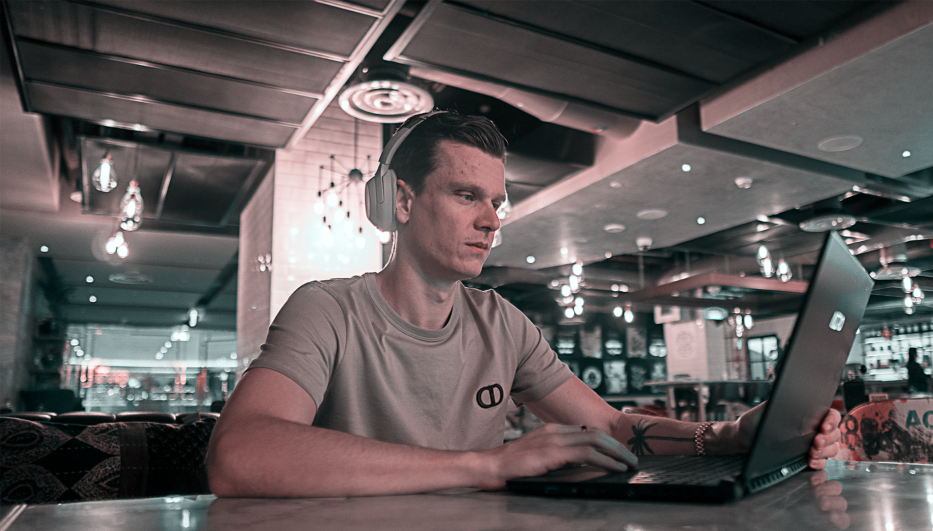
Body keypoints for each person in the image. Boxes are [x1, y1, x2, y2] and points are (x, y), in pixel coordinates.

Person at [206, 111, 842, 498]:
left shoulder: (501, 323)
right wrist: (488, 465)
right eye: (466, 196)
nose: (491, 221)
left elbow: (610, 428)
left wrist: (728, 437)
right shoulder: (327, 310)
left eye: (496, 202)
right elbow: (239, 456)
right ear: (401, 201)